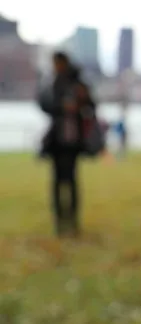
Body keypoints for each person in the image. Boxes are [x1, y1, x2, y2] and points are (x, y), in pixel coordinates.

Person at [38, 52, 95, 237]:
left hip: (74, 140)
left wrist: (81, 101)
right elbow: (43, 103)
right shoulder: (51, 81)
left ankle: (72, 220)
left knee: (71, 180)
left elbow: (92, 106)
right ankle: (59, 221)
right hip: (57, 140)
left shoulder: (78, 83)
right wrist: (61, 107)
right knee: (57, 181)